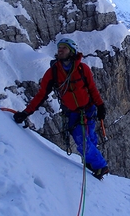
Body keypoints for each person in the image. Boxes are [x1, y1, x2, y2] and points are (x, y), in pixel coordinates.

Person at [13, 38, 109, 180]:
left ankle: (92, 163)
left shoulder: (83, 69)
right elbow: (41, 95)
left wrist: (100, 106)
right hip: (73, 114)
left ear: (72, 51)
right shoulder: (53, 73)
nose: (60, 50)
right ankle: (100, 166)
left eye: (64, 47)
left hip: (89, 110)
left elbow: (92, 89)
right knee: (82, 140)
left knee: (89, 138)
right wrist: (26, 112)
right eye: (59, 48)